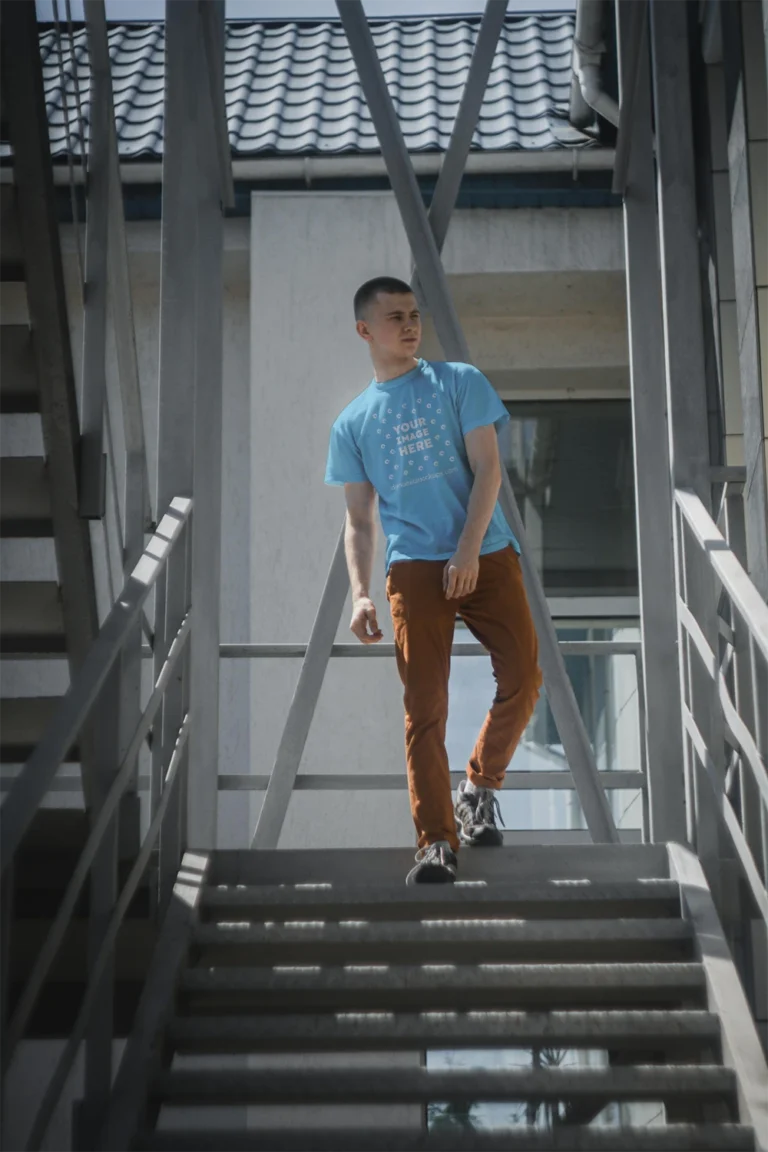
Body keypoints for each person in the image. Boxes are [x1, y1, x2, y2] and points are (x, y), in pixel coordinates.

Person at [325, 276, 542, 885]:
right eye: (395, 317)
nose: (411, 324)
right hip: (414, 568)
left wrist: (469, 550)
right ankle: (436, 843)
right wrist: (361, 592)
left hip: (487, 551)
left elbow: (489, 470)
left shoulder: (459, 382)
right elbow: (360, 520)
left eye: (414, 314)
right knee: (425, 706)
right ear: (365, 330)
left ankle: (479, 785)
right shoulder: (353, 422)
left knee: (524, 676)